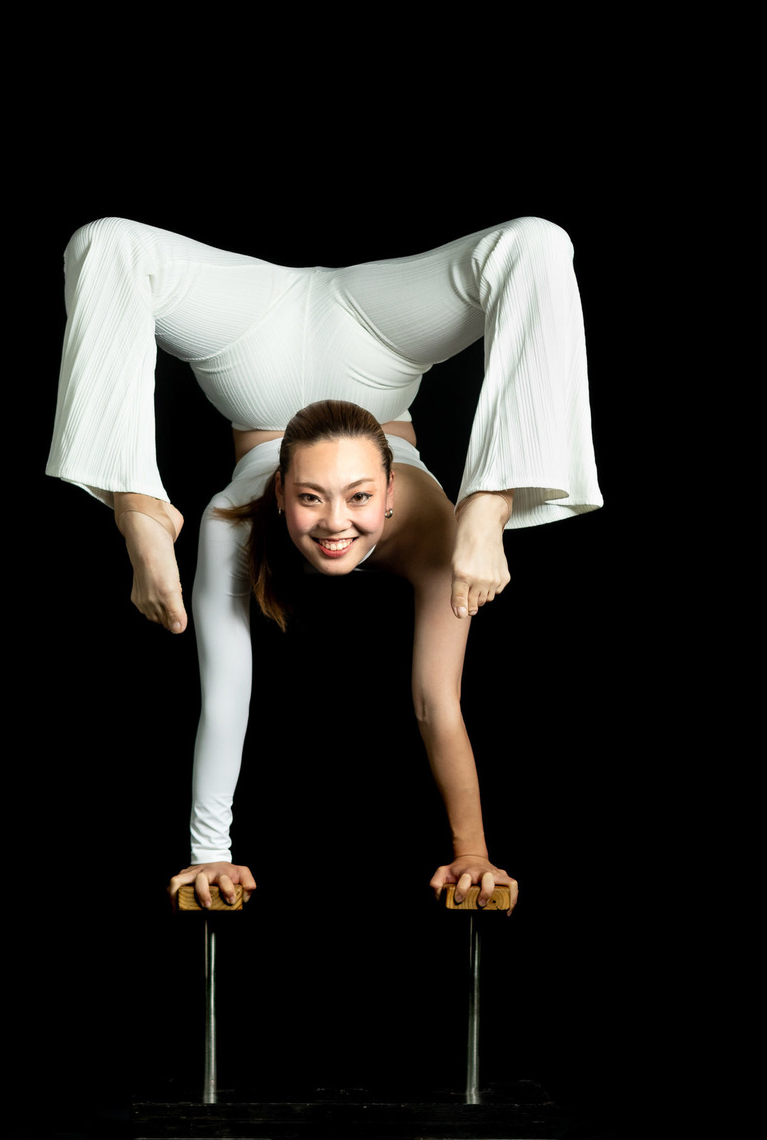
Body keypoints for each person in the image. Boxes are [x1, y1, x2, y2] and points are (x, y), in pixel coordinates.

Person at [47, 216, 602, 913]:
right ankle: (136, 506)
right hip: (291, 346)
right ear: (280, 492)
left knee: (537, 244)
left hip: (357, 343)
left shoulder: (437, 537)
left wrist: (473, 852)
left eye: (360, 499)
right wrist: (209, 852)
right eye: (311, 499)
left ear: (391, 492)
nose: (336, 523)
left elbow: (436, 703)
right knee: (103, 245)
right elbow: (226, 697)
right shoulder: (231, 520)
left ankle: (492, 501)